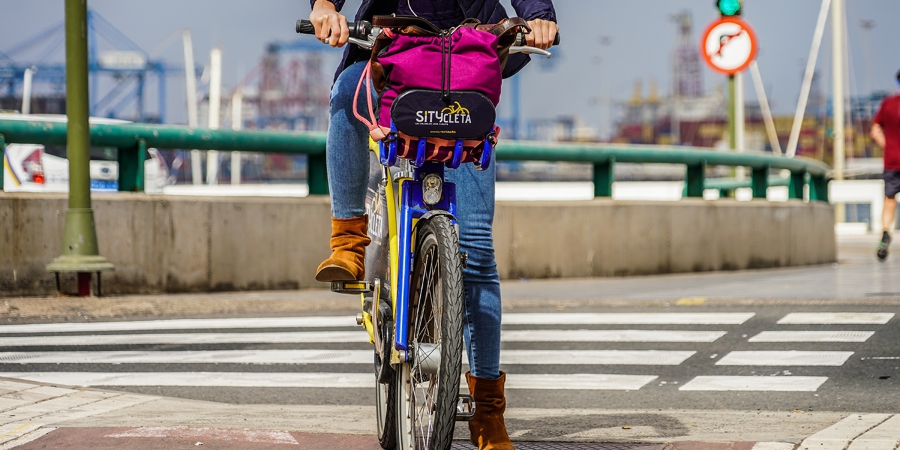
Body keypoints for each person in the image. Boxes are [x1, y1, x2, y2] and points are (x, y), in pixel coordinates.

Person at [307, 1, 557, 448]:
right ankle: (348, 237)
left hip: (466, 64)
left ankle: (487, 414)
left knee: (477, 251)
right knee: (348, 91)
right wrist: (326, 6)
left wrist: (539, 14)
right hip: (393, 56)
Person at [872, 70, 900, 260]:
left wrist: (887, 145)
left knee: (889, 199)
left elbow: (875, 130)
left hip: (892, 160)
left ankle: (885, 235)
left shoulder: (888, 104)